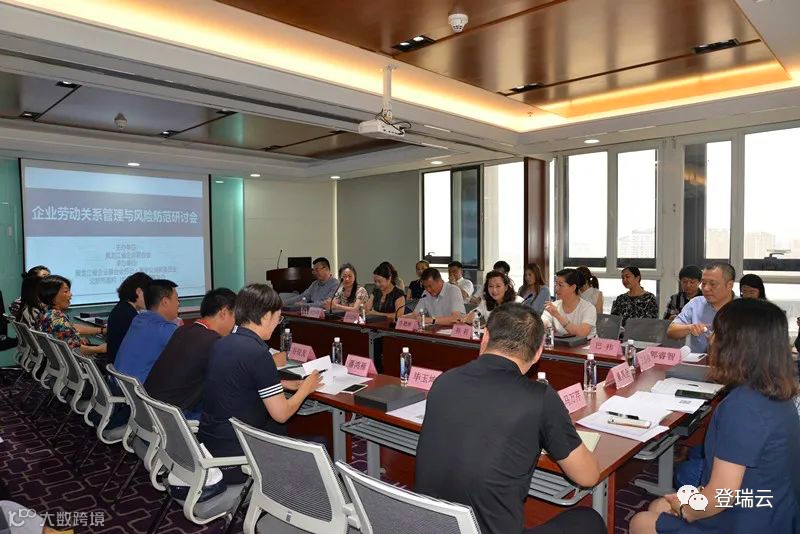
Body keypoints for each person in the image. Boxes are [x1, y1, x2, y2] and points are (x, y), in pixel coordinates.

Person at [416, 304, 604, 534]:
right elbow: (587, 476)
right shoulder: (540, 398)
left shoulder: (444, 381)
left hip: (429, 525)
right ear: (539, 352)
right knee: (589, 520)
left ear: (485, 337)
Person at [630, 299, 800, 534]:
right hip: (773, 507)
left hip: (746, 519)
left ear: (736, 345)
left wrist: (686, 510)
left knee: (641, 522)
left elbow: (723, 495)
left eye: (717, 332)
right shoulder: (778, 392)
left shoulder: (742, 406)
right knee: (659, 505)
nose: (711, 339)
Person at [198, 284, 323, 483]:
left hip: (211, 444)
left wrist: (281, 384)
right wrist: (306, 388)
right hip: (236, 457)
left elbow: (239, 381)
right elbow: (282, 414)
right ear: (265, 316)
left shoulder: (221, 343)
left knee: (278, 430)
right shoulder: (257, 353)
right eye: (278, 318)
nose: (277, 324)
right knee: (320, 445)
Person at [144, 288, 240, 420]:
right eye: (235, 317)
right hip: (173, 416)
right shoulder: (212, 341)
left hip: (151, 408)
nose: (235, 324)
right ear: (223, 313)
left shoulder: (183, 330)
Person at [114, 279, 179, 384]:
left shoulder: (139, 320)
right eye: (177, 299)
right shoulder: (164, 328)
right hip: (139, 390)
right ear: (165, 301)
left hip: (121, 385)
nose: (178, 304)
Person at [667, 263, 735, 354]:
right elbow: (671, 331)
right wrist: (690, 327)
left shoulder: (744, 308)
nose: (706, 289)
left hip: (734, 361)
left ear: (729, 285)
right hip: (699, 361)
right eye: (703, 283)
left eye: (712, 284)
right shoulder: (696, 303)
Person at [35, 275, 106, 355]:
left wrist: (101, 330)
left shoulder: (46, 313)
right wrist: (101, 349)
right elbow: (76, 350)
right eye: (66, 291)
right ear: (52, 296)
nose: (70, 295)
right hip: (79, 359)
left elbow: (70, 326)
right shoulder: (56, 319)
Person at [105, 272, 152, 364]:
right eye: (149, 294)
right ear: (139, 292)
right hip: (124, 368)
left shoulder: (122, 308)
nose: (151, 299)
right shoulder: (130, 316)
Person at [541, 268, 597, 338]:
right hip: (560, 344)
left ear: (573, 287)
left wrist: (557, 315)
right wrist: (544, 325)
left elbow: (582, 333)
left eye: (560, 285)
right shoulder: (554, 306)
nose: (556, 288)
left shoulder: (588, 308)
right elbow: (544, 323)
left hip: (585, 344)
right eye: (556, 284)